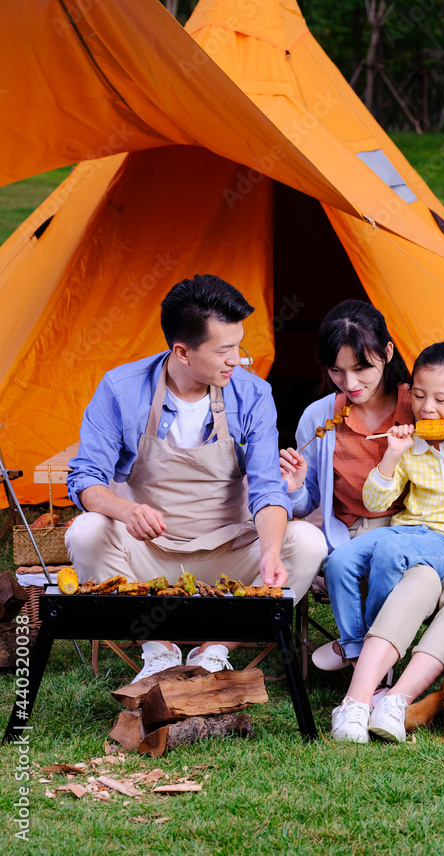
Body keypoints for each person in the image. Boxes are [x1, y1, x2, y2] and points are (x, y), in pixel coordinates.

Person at [66, 274, 327, 681]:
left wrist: (272, 552)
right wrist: (127, 509)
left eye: (238, 346)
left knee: (308, 542)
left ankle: (215, 650)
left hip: (230, 552)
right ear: (182, 352)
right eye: (224, 350)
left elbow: (266, 490)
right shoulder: (121, 388)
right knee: (85, 532)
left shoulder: (254, 394)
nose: (236, 360)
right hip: (147, 555)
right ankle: (159, 650)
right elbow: (84, 480)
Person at [279, 300, 444, 743]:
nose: (351, 383)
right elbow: (316, 499)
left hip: (431, 536)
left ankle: (385, 687)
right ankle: (365, 669)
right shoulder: (321, 417)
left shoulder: (418, 400)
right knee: (362, 563)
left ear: (386, 353)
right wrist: (294, 485)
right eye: (337, 371)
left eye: (362, 368)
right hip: (352, 534)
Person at [324, 341, 444, 678]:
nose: (427, 408)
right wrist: (392, 453)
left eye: (441, 400)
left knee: (390, 551)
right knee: (339, 560)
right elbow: (375, 502)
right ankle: (355, 647)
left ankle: (375, 645)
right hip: (407, 530)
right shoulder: (411, 441)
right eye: (420, 396)